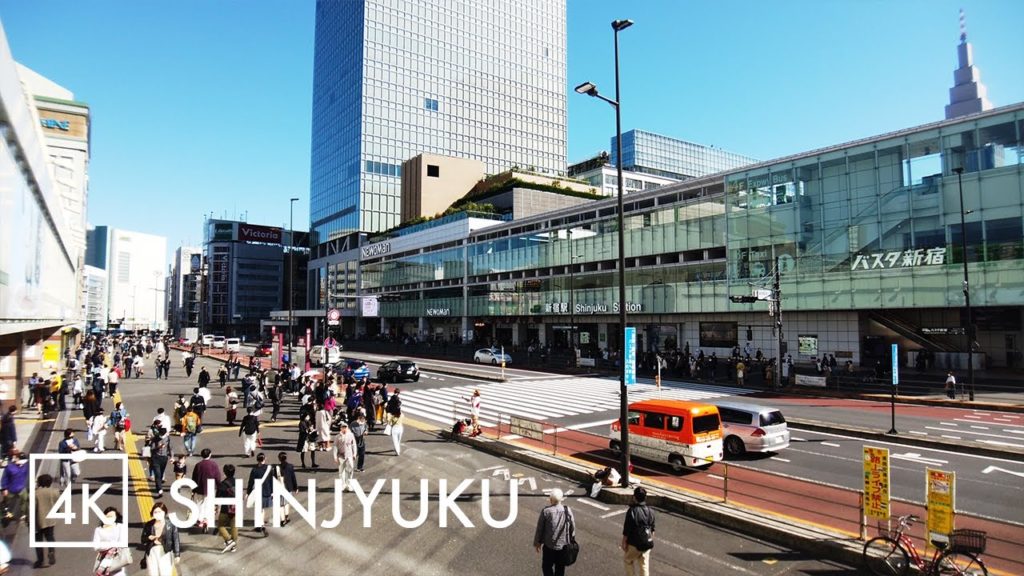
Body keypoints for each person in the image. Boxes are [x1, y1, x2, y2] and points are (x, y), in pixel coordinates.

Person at [533, 488, 575, 576]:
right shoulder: (568, 510)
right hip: (563, 546)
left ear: (551, 499)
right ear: (561, 499)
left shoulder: (546, 511)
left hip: (549, 546)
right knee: (560, 568)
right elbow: (572, 527)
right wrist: (572, 540)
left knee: (547, 566)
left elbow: (540, 529)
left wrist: (537, 543)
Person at [622, 486, 656, 576]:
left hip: (634, 543)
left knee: (628, 560)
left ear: (634, 497)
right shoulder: (651, 511)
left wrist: (624, 542)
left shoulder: (632, 511)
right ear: (645, 497)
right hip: (647, 543)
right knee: (644, 565)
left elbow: (627, 529)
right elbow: (652, 530)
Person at [140, 502, 180, 575]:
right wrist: (148, 537)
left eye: (160, 511)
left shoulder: (171, 525)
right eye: (155, 512)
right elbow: (142, 539)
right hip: (152, 552)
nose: (158, 514)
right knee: (153, 573)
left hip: (165, 552)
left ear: (164, 512)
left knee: (165, 573)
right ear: (152, 513)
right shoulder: (149, 524)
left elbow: (176, 539)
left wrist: (177, 554)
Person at [93, 506, 129, 576]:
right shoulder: (99, 530)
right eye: (108, 516)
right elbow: (96, 546)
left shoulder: (120, 527)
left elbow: (123, 542)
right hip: (104, 559)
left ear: (116, 517)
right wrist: (111, 545)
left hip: (118, 557)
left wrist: (107, 545)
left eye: (112, 516)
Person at [192, 448, 222, 533]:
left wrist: (193, 489)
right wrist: (219, 486)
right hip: (210, 488)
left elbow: (194, 477)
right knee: (209, 504)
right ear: (210, 454)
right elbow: (217, 477)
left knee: (199, 504)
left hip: (199, 488)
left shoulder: (198, 465)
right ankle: (207, 520)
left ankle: (200, 519)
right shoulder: (214, 464)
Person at [32, 474, 58, 568]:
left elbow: (32, 508)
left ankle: (40, 560)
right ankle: (51, 551)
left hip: (38, 520)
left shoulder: (35, 493)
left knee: (38, 540)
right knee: (50, 537)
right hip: (50, 520)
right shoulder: (54, 492)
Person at [246, 453, 273, 536]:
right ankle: (261, 524)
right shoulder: (269, 468)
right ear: (264, 459)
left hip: (257, 491)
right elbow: (271, 480)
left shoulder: (254, 470)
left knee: (258, 508)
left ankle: (260, 525)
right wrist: (272, 491)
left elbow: (250, 482)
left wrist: (248, 492)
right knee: (262, 509)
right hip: (267, 490)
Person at [215, 463, 239, 553]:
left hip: (226, 507)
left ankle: (229, 541)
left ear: (224, 472)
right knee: (234, 526)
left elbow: (217, 497)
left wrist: (216, 507)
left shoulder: (223, 484)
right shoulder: (237, 482)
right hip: (236, 506)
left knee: (220, 525)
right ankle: (233, 545)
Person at [146, 421, 171, 497]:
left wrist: (172, 456)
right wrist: (158, 447)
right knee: (157, 474)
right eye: (161, 435)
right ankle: (159, 490)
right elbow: (152, 448)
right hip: (156, 457)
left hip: (164, 458)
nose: (162, 436)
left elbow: (170, 448)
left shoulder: (168, 438)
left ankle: (159, 485)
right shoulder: (155, 438)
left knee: (161, 474)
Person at [273, 452, 298, 526]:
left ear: (279, 459)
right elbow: (293, 478)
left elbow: (274, 479)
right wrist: (296, 487)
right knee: (287, 503)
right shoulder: (290, 466)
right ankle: (286, 517)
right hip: (288, 488)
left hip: (279, 488)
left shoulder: (276, 468)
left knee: (281, 505)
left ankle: (282, 520)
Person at [334, 422, 357, 492]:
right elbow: (335, 446)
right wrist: (335, 456)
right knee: (341, 471)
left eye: (345, 427)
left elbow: (354, 444)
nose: (344, 429)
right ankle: (343, 485)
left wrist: (354, 453)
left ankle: (349, 484)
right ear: (340, 428)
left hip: (349, 455)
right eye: (343, 427)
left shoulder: (350, 435)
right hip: (341, 455)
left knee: (350, 469)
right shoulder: (337, 436)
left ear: (347, 428)